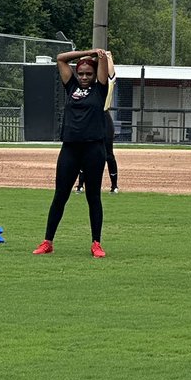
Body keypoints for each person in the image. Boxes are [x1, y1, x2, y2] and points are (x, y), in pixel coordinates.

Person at [32, 48, 110, 258]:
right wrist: (89, 52)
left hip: (93, 148)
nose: (84, 77)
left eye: (89, 74)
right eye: (81, 73)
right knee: (60, 195)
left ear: (95, 76)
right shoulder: (72, 86)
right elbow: (61, 59)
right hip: (70, 148)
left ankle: (96, 243)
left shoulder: (99, 89)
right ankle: (48, 241)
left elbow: (102, 62)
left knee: (93, 197)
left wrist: (99, 56)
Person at [76, 51, 118, 195]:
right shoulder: (84, 84)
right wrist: (89, 57)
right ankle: (80, 184)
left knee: (108, 154)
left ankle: (114, 186)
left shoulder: (103, 85)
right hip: (88, 118)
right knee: (83, 151)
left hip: (103, 118)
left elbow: (111, 73)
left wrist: (108, 57)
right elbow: (83, 65)